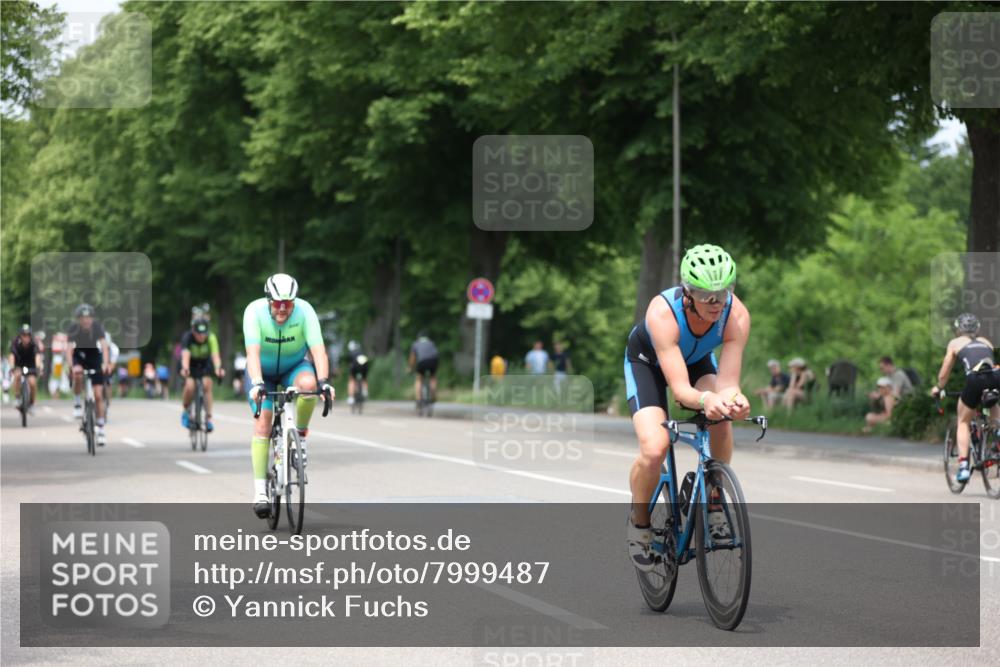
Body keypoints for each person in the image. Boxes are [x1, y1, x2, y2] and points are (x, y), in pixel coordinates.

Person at [624, 244, 750, 570]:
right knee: (655, 448)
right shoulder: (663, 312)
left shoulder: (735, 314)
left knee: (722, 414)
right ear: (687, 292)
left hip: (694, 362)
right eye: (705, 295)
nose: (715, 303)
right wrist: (707, 399)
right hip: (647, 363)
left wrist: (734, 400)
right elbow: (680, 391)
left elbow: (728, 383)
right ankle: (639, 524)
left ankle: (714, 500)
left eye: (723, 293)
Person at [244, 273, 333, 518]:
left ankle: (300, 437)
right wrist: (257, 383)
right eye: (277, 303)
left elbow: (319, 351)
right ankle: (260, 491)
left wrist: (324, 383)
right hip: (262, 371)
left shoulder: (305, 311)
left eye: (288, 303)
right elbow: (252, 353)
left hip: (294, 367)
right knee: (263, 420)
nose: (283, 309)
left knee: (309, 385)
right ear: (268, 300)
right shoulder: (254, 312)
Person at [931, 313, 1000, 482]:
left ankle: (963, 467)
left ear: (958, 329)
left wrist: (938, 388)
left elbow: (945, 372)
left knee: (963, 421)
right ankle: (997, 431)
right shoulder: (986, 342)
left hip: (975, 379)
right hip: (995, 375)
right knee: (992, 404)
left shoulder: (955, 343)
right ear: (977, 329)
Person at [67, 304, 111, 446]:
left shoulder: (97, 327)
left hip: (94, 357)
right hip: (79, 356)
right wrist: (72, 366)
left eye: (89, 318)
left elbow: (104, 346)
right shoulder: (73, 328)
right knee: (78, 375)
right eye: (83, 318)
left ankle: (100, 427)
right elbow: (68, 350)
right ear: (79, 319)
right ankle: (78, 402)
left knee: (98, 395)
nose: (86, 321)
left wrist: (105, 363)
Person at [180, 318, 225, 432]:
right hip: (190, 363)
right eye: (198, 334)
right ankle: (185, 410)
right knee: (189, 386)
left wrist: (218, 368)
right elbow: (185, 356)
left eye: (204, 333)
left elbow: (215, 355)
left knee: (207, 384)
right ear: (193, 331)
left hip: (205, 363)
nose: (201, 336)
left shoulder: (211, 337)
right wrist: (185, 369)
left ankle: (208, 418)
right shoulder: (188, 337)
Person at [8, 323, 44, 414]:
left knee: (32, 382)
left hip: (31, 365)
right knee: (17, 376)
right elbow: (12, 355)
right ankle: (17, 397)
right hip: (19, 364)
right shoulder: (15, 342)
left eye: (28, 335)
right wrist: (12, 367)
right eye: (24, 335)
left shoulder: (34, 343)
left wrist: (38, 367)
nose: (26, 337)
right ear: (20, 336)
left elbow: (37, 357)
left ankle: (31, 403)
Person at [409, 332, 439, 404]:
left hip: (422, 361)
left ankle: (419, 399)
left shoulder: (415, 344)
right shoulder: (431, 343)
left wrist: (410, 368)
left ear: (418, 337)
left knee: (419, 379)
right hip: (433, 361)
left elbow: (412, 358)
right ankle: (433, 395)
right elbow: (436, 354)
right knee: (433, 377)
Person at [345, 340, 370, 405]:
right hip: (364, 366)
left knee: (351, 380)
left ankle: (351, 398)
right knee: (364, 379)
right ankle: (365, 391)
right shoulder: (362, 352)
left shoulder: (351, 353)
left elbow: (349, 364)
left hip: (355, 367)